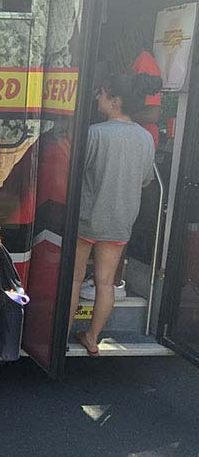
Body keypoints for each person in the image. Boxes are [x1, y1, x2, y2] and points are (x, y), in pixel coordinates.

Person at [69, 72, 160, 356]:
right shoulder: (146, 138)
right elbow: (145, 180)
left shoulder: (94, 133)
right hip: (120, 220)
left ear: (115, 101)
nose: (98, 96)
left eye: (102, 92)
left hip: (87, 218)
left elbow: (76, 174)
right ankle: (92, 338)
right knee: (106, 282)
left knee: (73, 279)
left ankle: (60, 336)